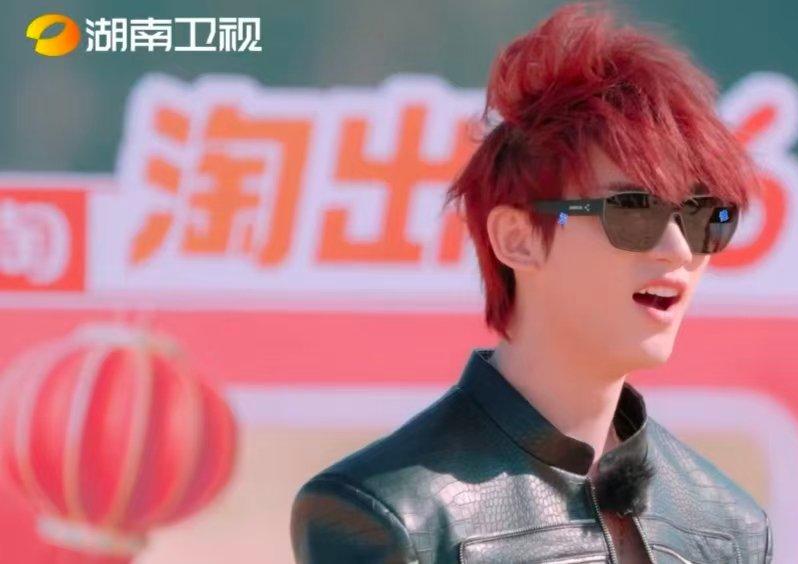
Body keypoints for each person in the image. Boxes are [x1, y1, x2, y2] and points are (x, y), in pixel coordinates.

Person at [291, 3, 772, 562]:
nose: (680, 251)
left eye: (704, 217)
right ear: (517, 239)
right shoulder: (392, 514)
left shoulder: (728, 527)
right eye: (633, 211)